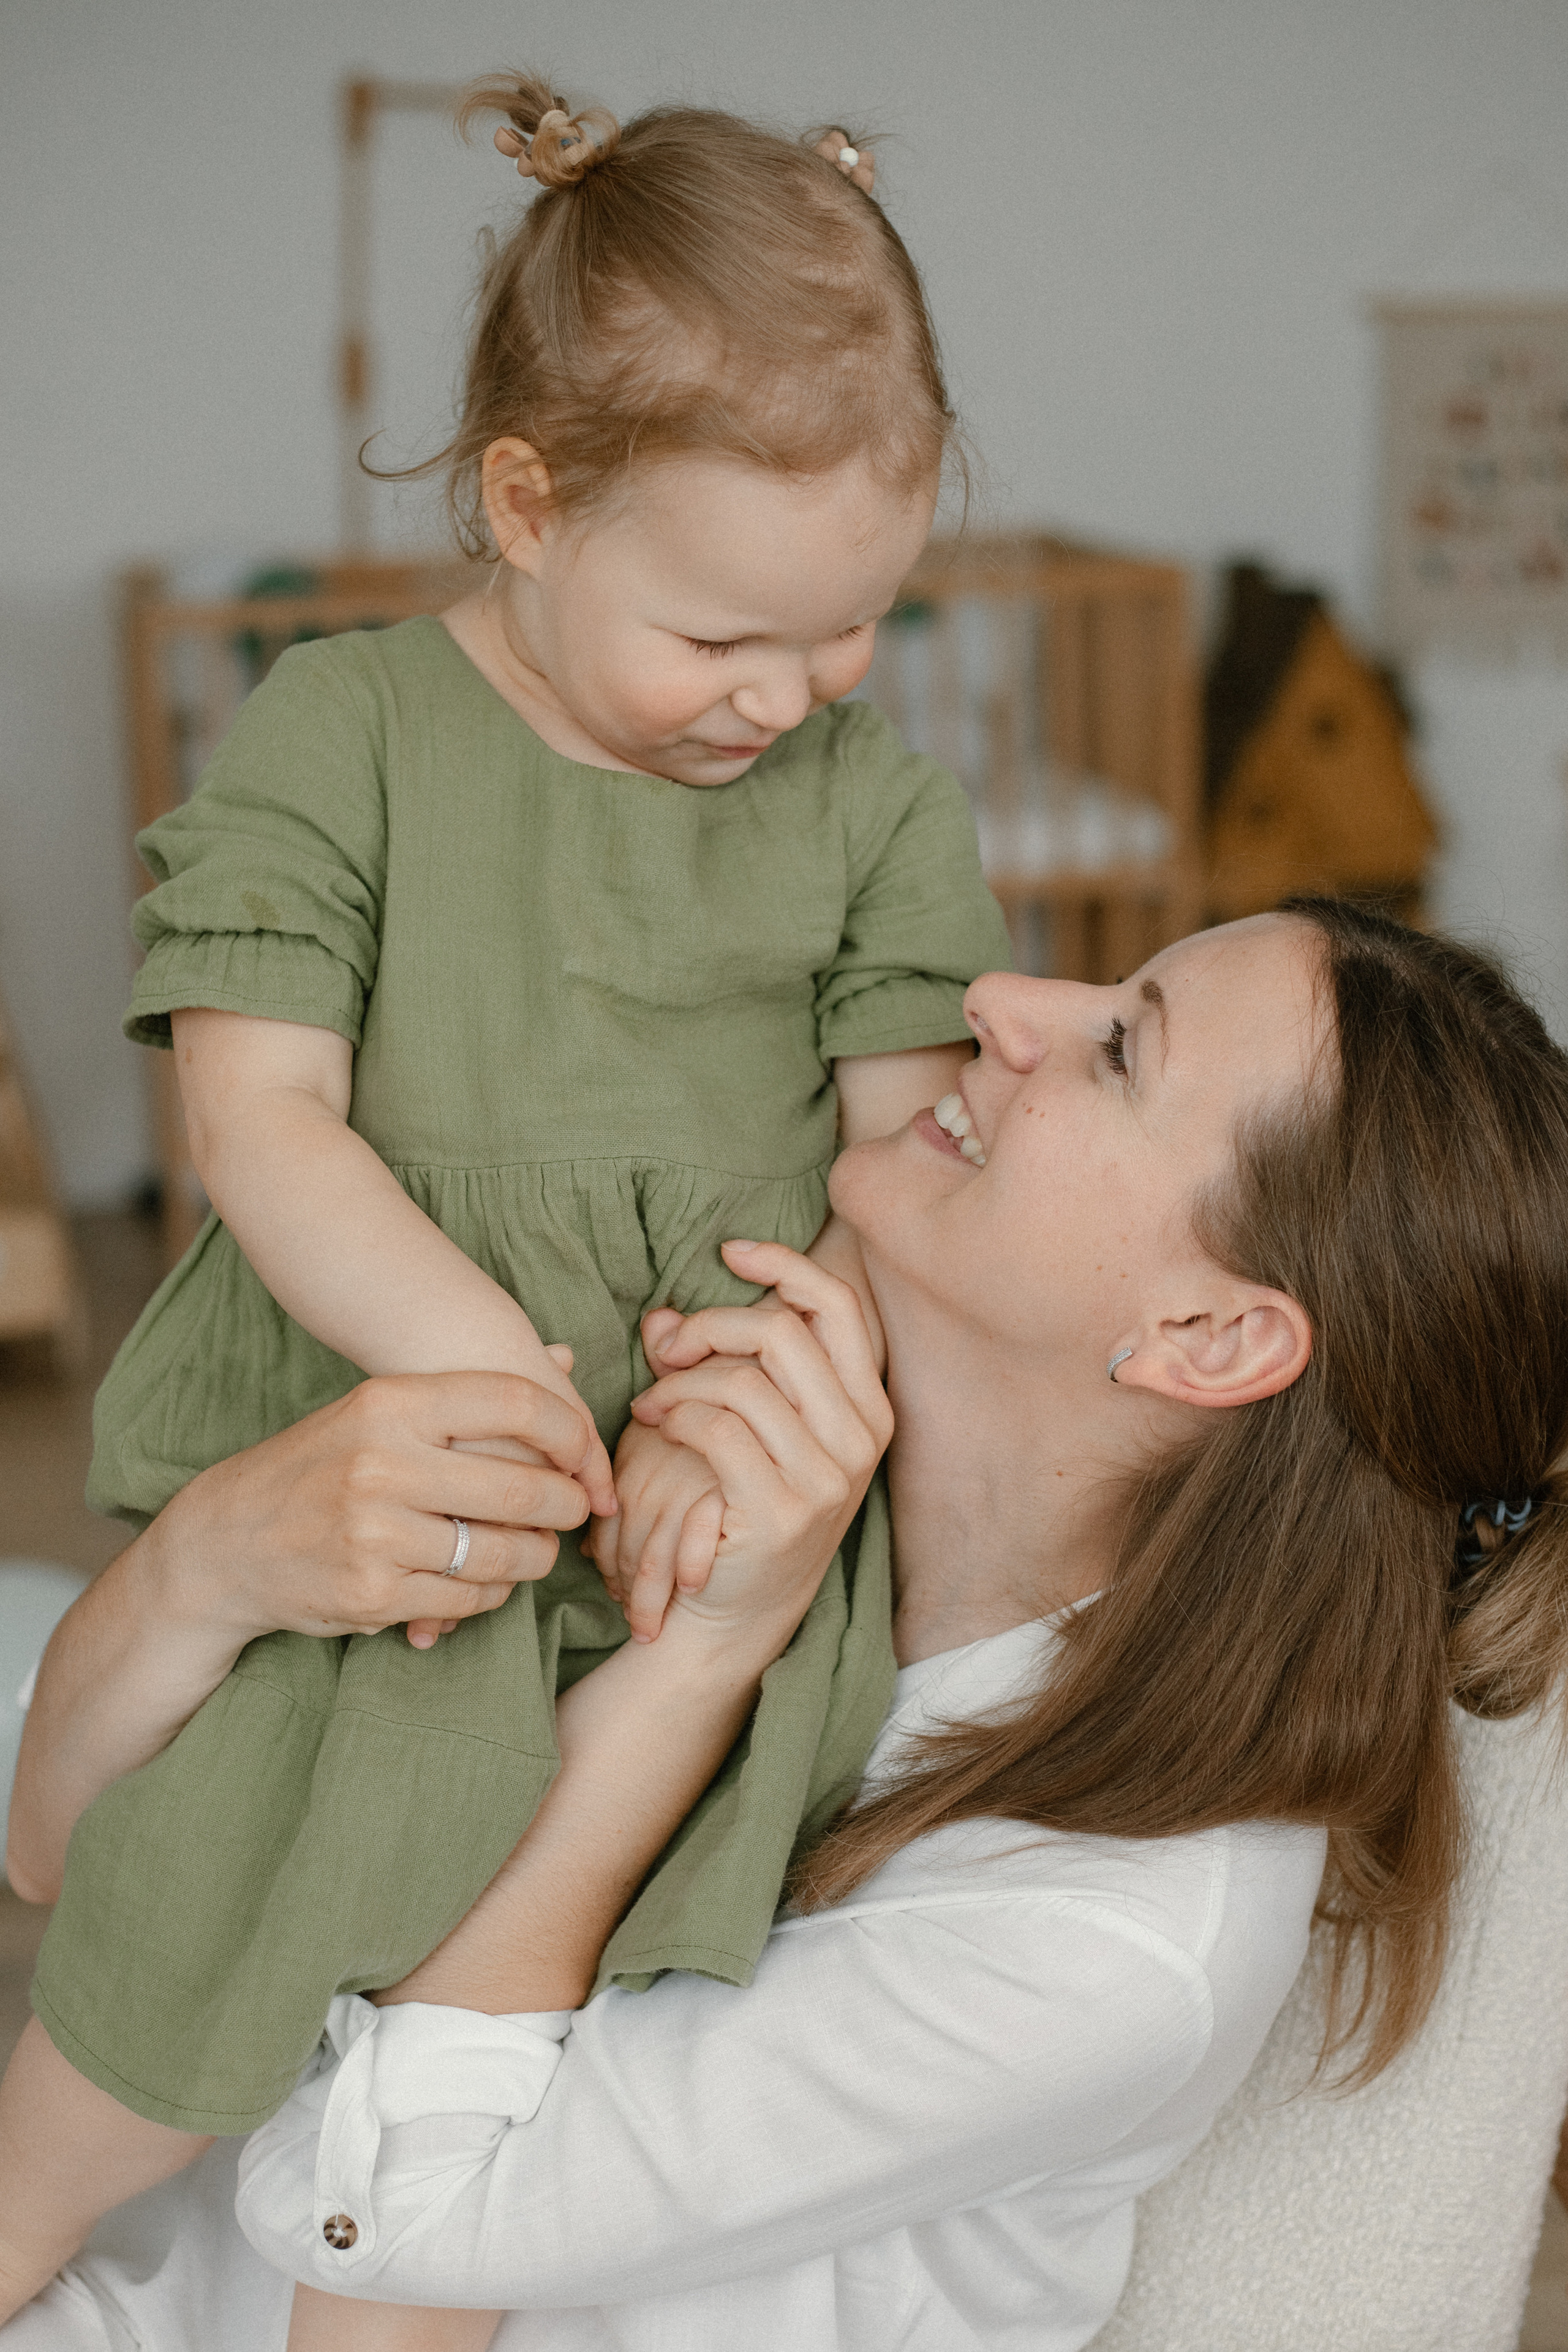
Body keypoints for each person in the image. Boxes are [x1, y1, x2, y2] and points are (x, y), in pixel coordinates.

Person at [0, 75, 1014, 2345]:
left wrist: (749, 1405)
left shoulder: (870, 803)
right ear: (526, 503)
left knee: (511, 2053)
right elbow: (266, 1128)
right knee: (211, 1896)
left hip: (696, 1481)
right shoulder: (343, 727)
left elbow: (902, 1165)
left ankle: (386, 2302)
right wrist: (486, 1371)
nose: (791, 696)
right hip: (419, 1424)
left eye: (850, 629)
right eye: (725, 639)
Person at [7, 902, 1567, 2351]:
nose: (999, 1003)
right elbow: (66, 1866)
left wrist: (690, 1667)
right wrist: (206, 1566)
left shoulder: (1111, 1939)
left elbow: (387, 2216)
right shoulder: (721, 1398)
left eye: (1117, 1048)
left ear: (1207, 1337)